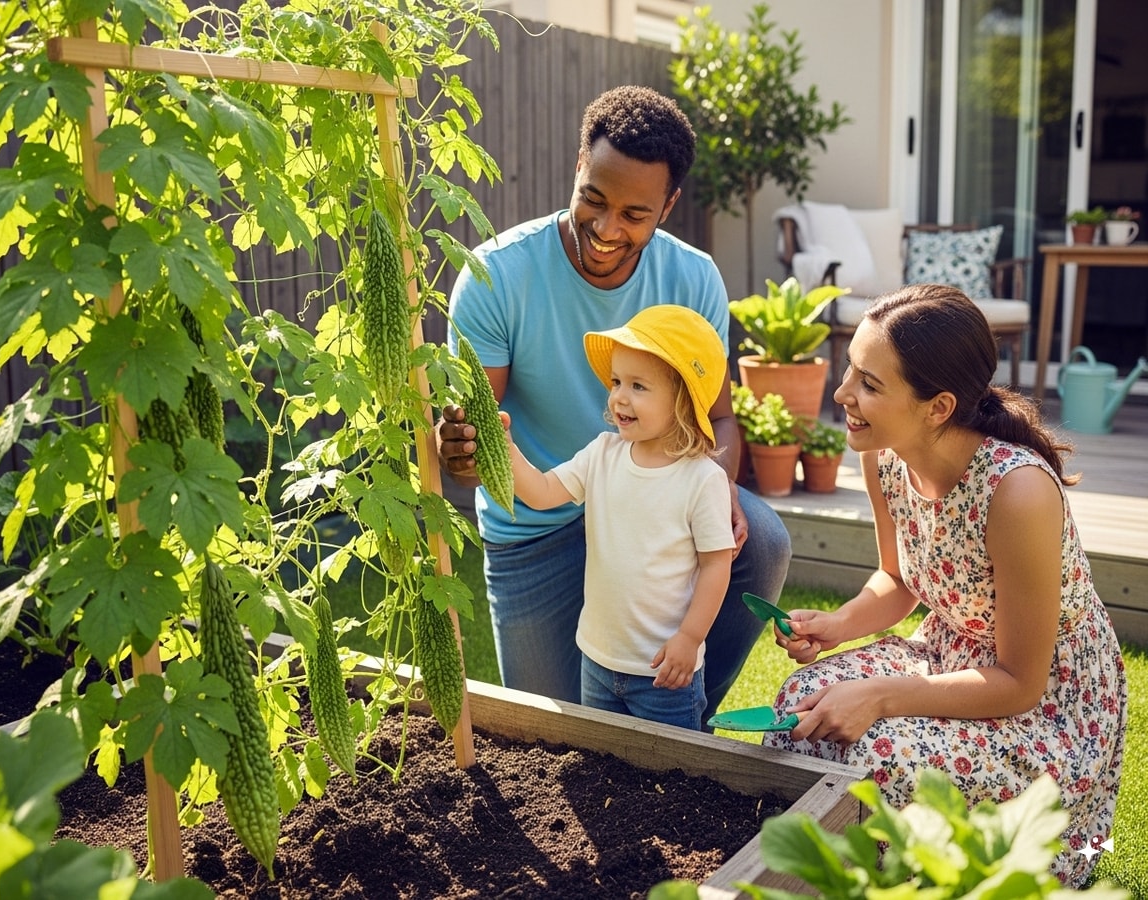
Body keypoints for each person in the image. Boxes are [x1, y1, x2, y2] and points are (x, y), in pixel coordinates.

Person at [436, 84, 792, 721]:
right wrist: (461, 450)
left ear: (668, 204)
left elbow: (720, 420)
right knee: (551, 738)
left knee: (761, 540)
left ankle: (680, 714)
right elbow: (478, 439)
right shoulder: (496, 276)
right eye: (593, 200)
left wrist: (714, 490)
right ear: (578, 169)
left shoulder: (692, 278)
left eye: (634, 214)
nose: (606, 229)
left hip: (655, 511)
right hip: (537, 523)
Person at [760, 283, 1126, 887]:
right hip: (949, 654)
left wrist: (881, 693)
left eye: (871, 385)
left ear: (938, 407)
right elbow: (899, 578)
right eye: (852, 371)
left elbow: (1019, 684)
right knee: (807, 697)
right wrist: (837, 625)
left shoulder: (1019, 493)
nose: (844, 394)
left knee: (877, 753)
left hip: (1045, 705)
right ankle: (831, 869)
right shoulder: (882, 454)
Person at [504, 305, 735, 730]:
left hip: (663, 673)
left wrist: (689, 639)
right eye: (616, 382)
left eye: (638, 386)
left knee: (668, 777)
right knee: (602, 775)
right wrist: (505, 448)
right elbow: (541, 493)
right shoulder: (602, 453)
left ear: (682, 398)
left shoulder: (702, 479)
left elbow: (717, 564)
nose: (619, 397)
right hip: (598, 659)